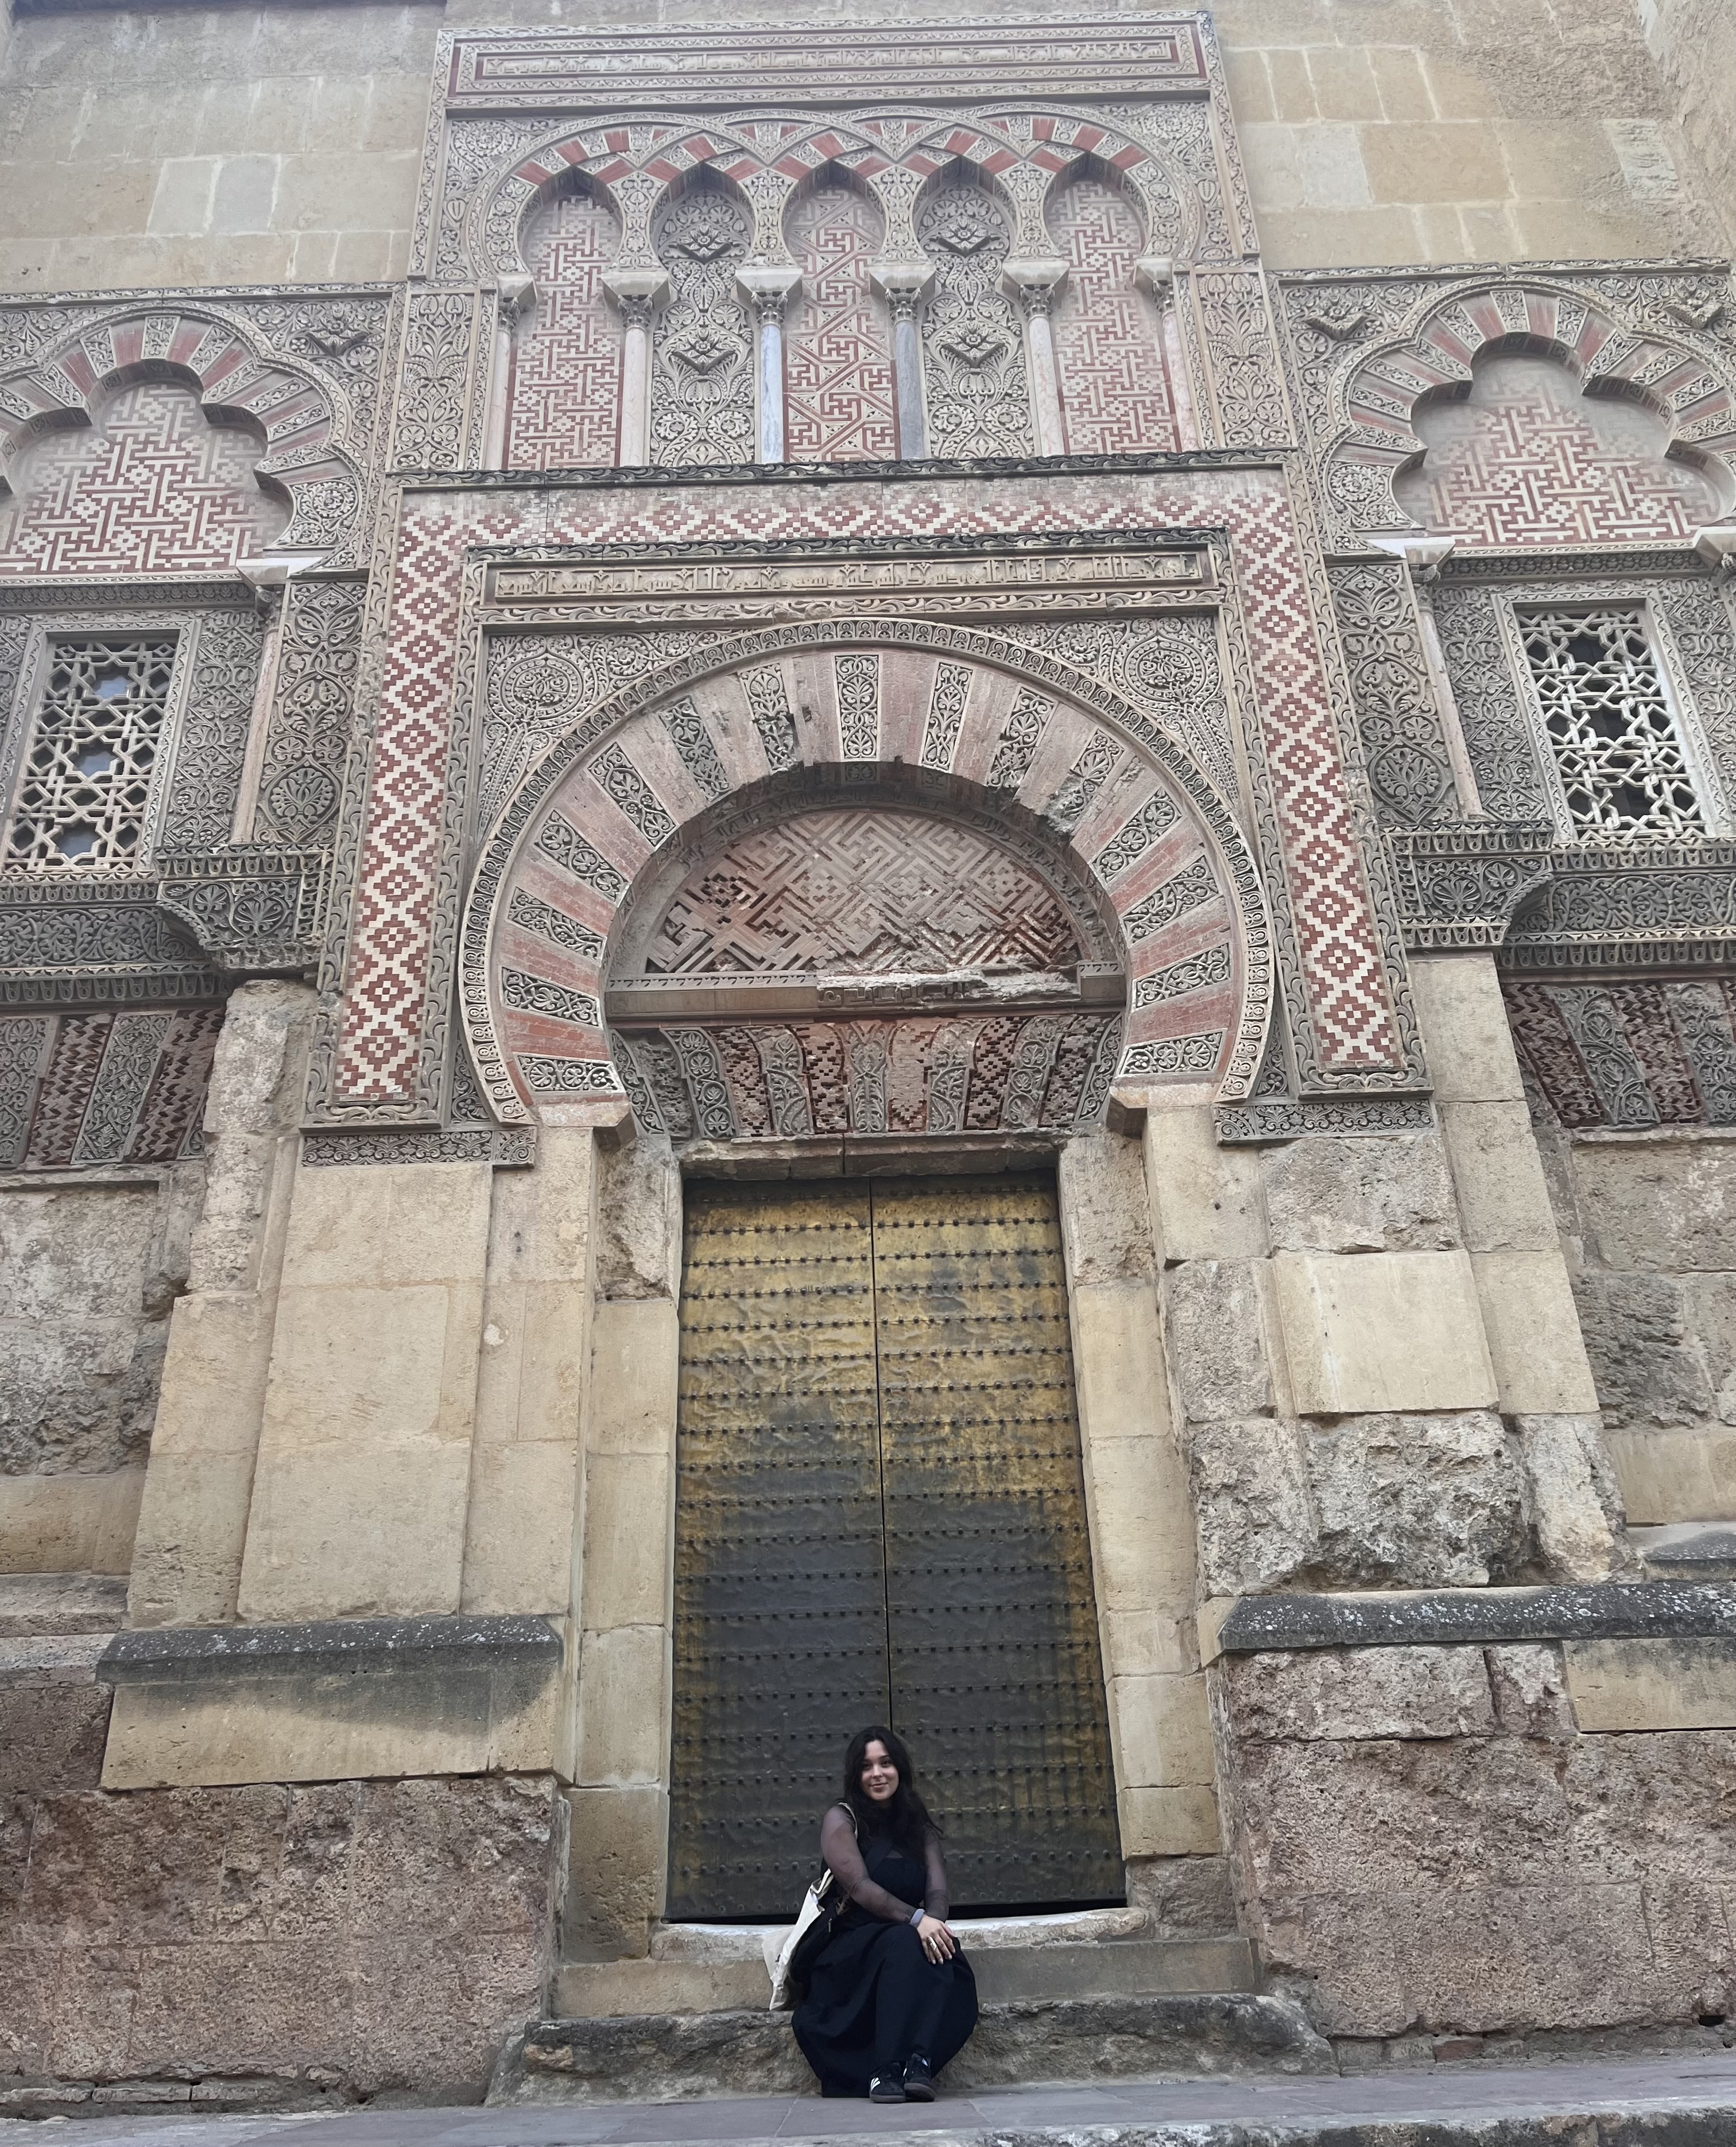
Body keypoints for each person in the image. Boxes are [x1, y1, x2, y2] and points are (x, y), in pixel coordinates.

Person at [791, 1725, 979, 2102]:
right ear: (855, 1775)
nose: (877, 1774)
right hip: (851, 1950)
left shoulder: (918, 1827)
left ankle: (918, 2063)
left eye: (885, 1763)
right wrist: (918, 1921)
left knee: (945, 1958)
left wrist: (933, 1926)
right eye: (867, 1766)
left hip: (905, 1941)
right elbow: (860, 1887)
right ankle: (884, 2068)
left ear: (899, 1769)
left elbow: (937, 1893)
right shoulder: (841, 1819)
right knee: (906, 1943)